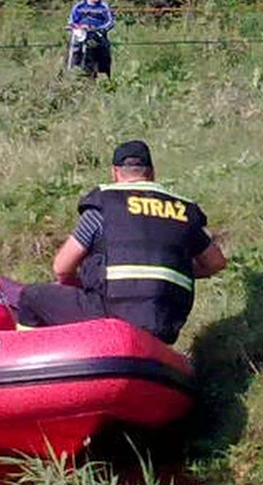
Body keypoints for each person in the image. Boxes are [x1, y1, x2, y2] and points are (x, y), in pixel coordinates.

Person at [14, 140, 227, 344]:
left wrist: (82, 282)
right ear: (151, 173)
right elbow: (216, 263)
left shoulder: (104, 205)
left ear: (115, 173)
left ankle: (24, 362)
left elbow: (61, 267)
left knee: (31, 297)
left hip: (107, 315)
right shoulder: (183, 211)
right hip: (164, 323)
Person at [67, 0, 116, 77]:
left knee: (103, 51)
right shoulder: (79, 7)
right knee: (75, 48)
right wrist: (78, 27)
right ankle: (72, 71)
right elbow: (71, 21)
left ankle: (103, 73)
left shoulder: (104, 7)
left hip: (97, 34)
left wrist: (98, 29)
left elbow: (110, 22)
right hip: (81, 34)